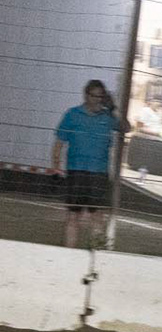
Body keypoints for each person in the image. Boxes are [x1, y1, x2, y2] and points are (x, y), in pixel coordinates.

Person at [50, 79, 129, 248]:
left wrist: (114, 109)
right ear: (86, 95)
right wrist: (56, 167)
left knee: (97, 215)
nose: (97, 100)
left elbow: (126, 128)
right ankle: (69, 253)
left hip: (99, 173)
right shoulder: (72, 114)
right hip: (76, 171)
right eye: (94, 96)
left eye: (101, 96)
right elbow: (59, 143)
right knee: (73, 215)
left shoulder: (108, 117)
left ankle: (96, 253)